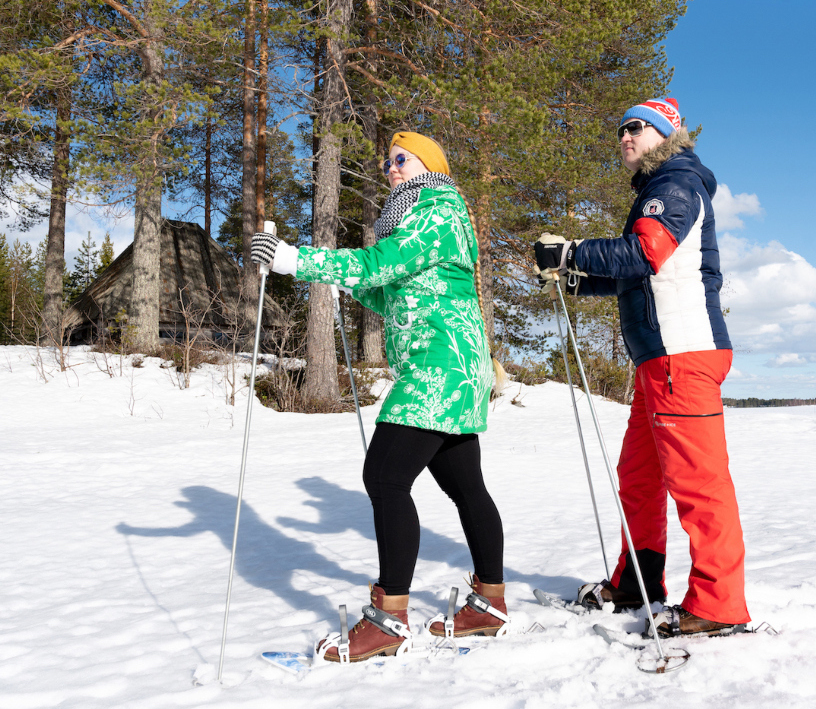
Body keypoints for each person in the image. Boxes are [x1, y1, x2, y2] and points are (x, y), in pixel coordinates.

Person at [250, 132, 508, 662]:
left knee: (385, 478)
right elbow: (379, 287)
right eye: (387, 162)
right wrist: (309, 268)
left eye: (401, 160)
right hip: (448, 366)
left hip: (440, 366)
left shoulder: (439, 207)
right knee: (465, 485)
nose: (390, 169)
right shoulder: (417, 216)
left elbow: (376, 266)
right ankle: (489, 604)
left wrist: (297, 260)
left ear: (429, 167)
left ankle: (390, 620)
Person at [533, 98, 750, 637]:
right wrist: (576, 276)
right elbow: (638, 273)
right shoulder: (657, 189)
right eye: (621, 129)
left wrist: (574, 253)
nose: (624, 137)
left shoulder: (675, 185)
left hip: (684, 354)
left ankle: (719, 605)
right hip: (658, 362)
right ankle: (638, 582)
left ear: (664, 133)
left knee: (699, 485)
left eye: (635, 127)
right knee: (639, 475)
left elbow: (645, 252)